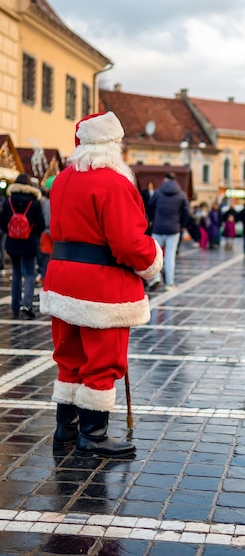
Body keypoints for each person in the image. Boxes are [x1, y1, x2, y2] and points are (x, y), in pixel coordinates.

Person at [39, 111, 163, 458]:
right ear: (113, 145)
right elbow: (127, 243)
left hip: (62, 280)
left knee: (70, 357)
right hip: (101, 286)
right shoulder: (115, 182)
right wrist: (153, 257)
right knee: (103, 359)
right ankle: (93, 436)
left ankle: (66, 429)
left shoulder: (62, 179)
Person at [0, 173, 45, 319]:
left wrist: (12, 231)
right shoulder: (34, 202)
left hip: (12, 242)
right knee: (30, 273)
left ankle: (14, 305)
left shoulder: (9, 200)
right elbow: (41, 225)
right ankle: (27, 303)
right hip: (28, 242)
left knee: (16, 273)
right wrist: (30, 231)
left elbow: (2, 223)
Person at [147, 172, 189, 290]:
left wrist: (152, 219)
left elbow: (149, 205)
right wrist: (181, 224)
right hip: (173, 229)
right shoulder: (181, 194)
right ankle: (169, 283)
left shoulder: (158, 192)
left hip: (158, 227)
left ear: (165, 180)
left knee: (154, 255)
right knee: (170, 256)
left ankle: (155, 277)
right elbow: (186, 213)